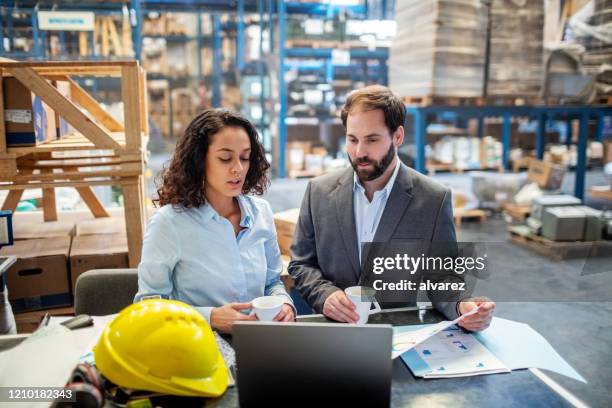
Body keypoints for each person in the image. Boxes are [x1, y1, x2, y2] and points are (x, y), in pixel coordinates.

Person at [288, 85, 494, 331]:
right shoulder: (318, 192)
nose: (359, 152)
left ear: (398, 136)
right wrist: (325, 295)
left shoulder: (432, 200)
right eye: (352, 139)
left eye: (372, 140)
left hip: (395, 335)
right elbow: (301, 264)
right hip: (331, 331)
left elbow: (443, 278)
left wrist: (463, 307)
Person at [135, 108, 295, 333]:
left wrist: (285, 304)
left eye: (245, 157)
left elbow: (272, 283)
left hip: (260, 342)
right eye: (225, 158)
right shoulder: (169, 223)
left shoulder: (261, 213)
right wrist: (209, 317)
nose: (238, 168)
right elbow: (147, 306)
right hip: (200, 345)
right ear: (199, 160)